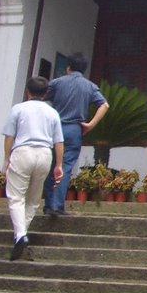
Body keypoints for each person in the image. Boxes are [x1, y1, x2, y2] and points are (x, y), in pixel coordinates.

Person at [2, 76, 64, 261]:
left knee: (16, 197)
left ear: (27, 91)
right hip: (44, 154)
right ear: (45, 93)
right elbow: (58, 141)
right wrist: (59, 165)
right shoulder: (52, 112)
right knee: (34, 199)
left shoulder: (18, 109)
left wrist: (6, 158)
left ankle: (20, 234)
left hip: (23, 152)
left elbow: (9, 137)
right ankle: (21, 233)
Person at [42, 52, 108, 217]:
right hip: (74, 129)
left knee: (51, 165)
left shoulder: (57, 83)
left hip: (54, 128)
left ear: (68, 67)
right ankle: (57, 205)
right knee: (65, 166)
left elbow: (40, 98)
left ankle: (49, 204)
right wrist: (91, 124)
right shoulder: (89, 86)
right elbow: (104, 105)